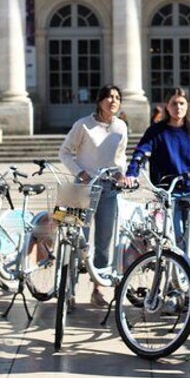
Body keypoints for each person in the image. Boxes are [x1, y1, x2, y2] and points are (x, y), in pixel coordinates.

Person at [59, 84, 128, 309]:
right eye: (109, 97)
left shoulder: (121, 127)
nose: (113, 101)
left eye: (117, 97)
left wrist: (121, 174)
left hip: (109, 190)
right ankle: (69, 290)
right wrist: (81, 173)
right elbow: (65, 152)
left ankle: (97, 289)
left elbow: (120, 157)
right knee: (78, 240)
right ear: (100, 101)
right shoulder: (83, 125)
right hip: (82, 189)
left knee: (104, 243)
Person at [126, 88, 190, 254]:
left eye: (182, 103)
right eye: (174, 103)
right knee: (174, 236)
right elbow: (141, 152)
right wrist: (132, 172)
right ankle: (178, 274)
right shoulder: (156, 131)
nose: (178, 107)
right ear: (167, 106)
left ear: (187, 105)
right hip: (168, 191)